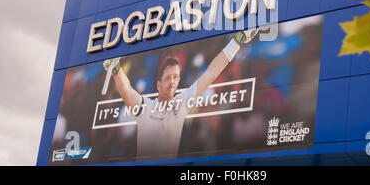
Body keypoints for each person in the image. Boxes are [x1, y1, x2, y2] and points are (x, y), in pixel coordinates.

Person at [103, 29, 261, 159]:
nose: (172, 82)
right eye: (167, 78)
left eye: (175, 78)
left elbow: (212, 73)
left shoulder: (182, 102)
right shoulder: (145, 106)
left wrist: (237, 41)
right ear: (158, 84)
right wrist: (116, 70)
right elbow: (127, 91)